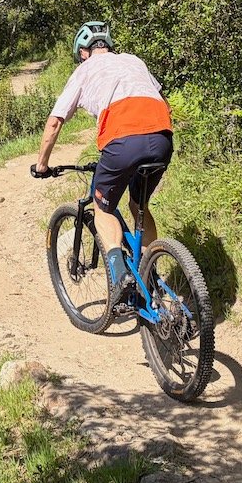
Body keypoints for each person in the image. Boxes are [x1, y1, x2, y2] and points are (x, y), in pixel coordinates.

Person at [32, 22, 173, 306]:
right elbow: (161, 96)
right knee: (139, 205)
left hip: (122, 142)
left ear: (83, 53)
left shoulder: (83, 70)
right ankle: (150, 273)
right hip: (162, 137)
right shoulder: (133, 60)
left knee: (103, 207)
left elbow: (55, 121)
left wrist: (42, 164)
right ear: (107, 45)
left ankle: (121, 277)